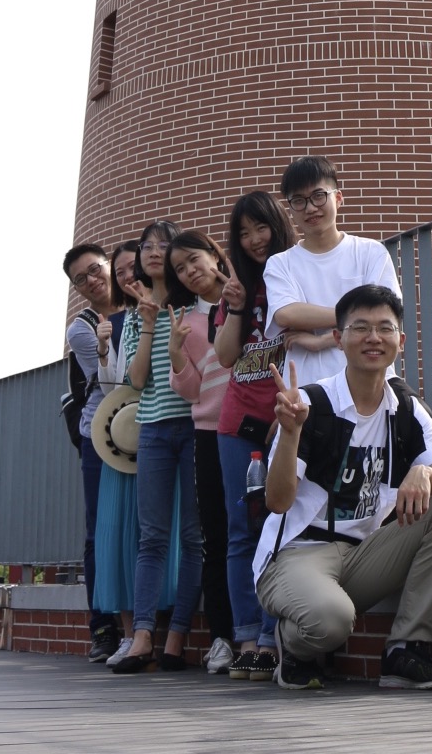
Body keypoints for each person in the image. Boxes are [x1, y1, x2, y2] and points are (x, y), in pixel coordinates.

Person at [255, 285, 432, 691]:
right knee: (330, 621)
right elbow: (277, 502)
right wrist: (291, 433)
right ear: (339, 338)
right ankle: (293, 645)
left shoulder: (406, 409)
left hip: (362, 554)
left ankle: (405, 650)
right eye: (360, 328)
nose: (374, 337)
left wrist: (424, 475)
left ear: (400, 341)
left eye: (385, 328)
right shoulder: (310, 404)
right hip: (298, 553)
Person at [103, 221, 203, 673]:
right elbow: (138, 381)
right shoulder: (133, 316)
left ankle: (176, 637)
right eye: (148, 246)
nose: (155, 251)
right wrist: (147, 325)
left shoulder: (196, 305)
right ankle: (143, 636)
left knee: (193, 536)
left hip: (196, 427)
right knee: (152, 536)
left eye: (165, 244)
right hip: (153, 429)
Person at [212, 191, 295, 681]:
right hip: (237, 423)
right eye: (243, 233)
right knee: (242, 529)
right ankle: (247, 638)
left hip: (288, 418)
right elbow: (226, 357)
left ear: (277, 225)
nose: (254, 240)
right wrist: (238, 307)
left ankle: (270, 636)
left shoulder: (295, 275)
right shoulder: (236, 288)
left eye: (260, 227)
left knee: (280, 523)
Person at [89, 240, 180, 668]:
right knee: (118, 537)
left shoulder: (170, 309)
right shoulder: (118, 322)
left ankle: (162, 632)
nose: (127, 275)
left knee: (161, 534)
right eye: (121, 270)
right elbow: (115, 381)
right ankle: (130, 633)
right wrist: (102, 348)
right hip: (121, 438)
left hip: (159, 430)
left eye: (132, 267)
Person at [263, 156, 402, 385]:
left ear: (338, 198)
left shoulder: (371, 252)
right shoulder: (280, 263)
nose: (310, 208)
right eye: (298, 200)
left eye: (318, 196)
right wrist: (357, 317)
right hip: (307, 390)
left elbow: (383, 315)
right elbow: (286, 313)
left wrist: (324, 340)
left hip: (369, 387)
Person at [164, 229, 236, 674]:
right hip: (209, 431)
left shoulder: (246, 297)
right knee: (217, 534)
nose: (189, 271)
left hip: (255, 426)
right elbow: (192, 391)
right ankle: (224, 638)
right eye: (180, 269)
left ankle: (265, 637)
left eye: (194, 259)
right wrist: (176, 354)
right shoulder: (186, 323)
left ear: (214, 254)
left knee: (260, 528)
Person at [61, 242, 122, 662]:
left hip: (145, 427)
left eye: (95, 269)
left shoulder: (143, 305)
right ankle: (103, 626)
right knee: (99, 529)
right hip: (100, 434)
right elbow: (113, 382)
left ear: (110, 264)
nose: (91, 280)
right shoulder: (82, 328)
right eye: (80, 279)